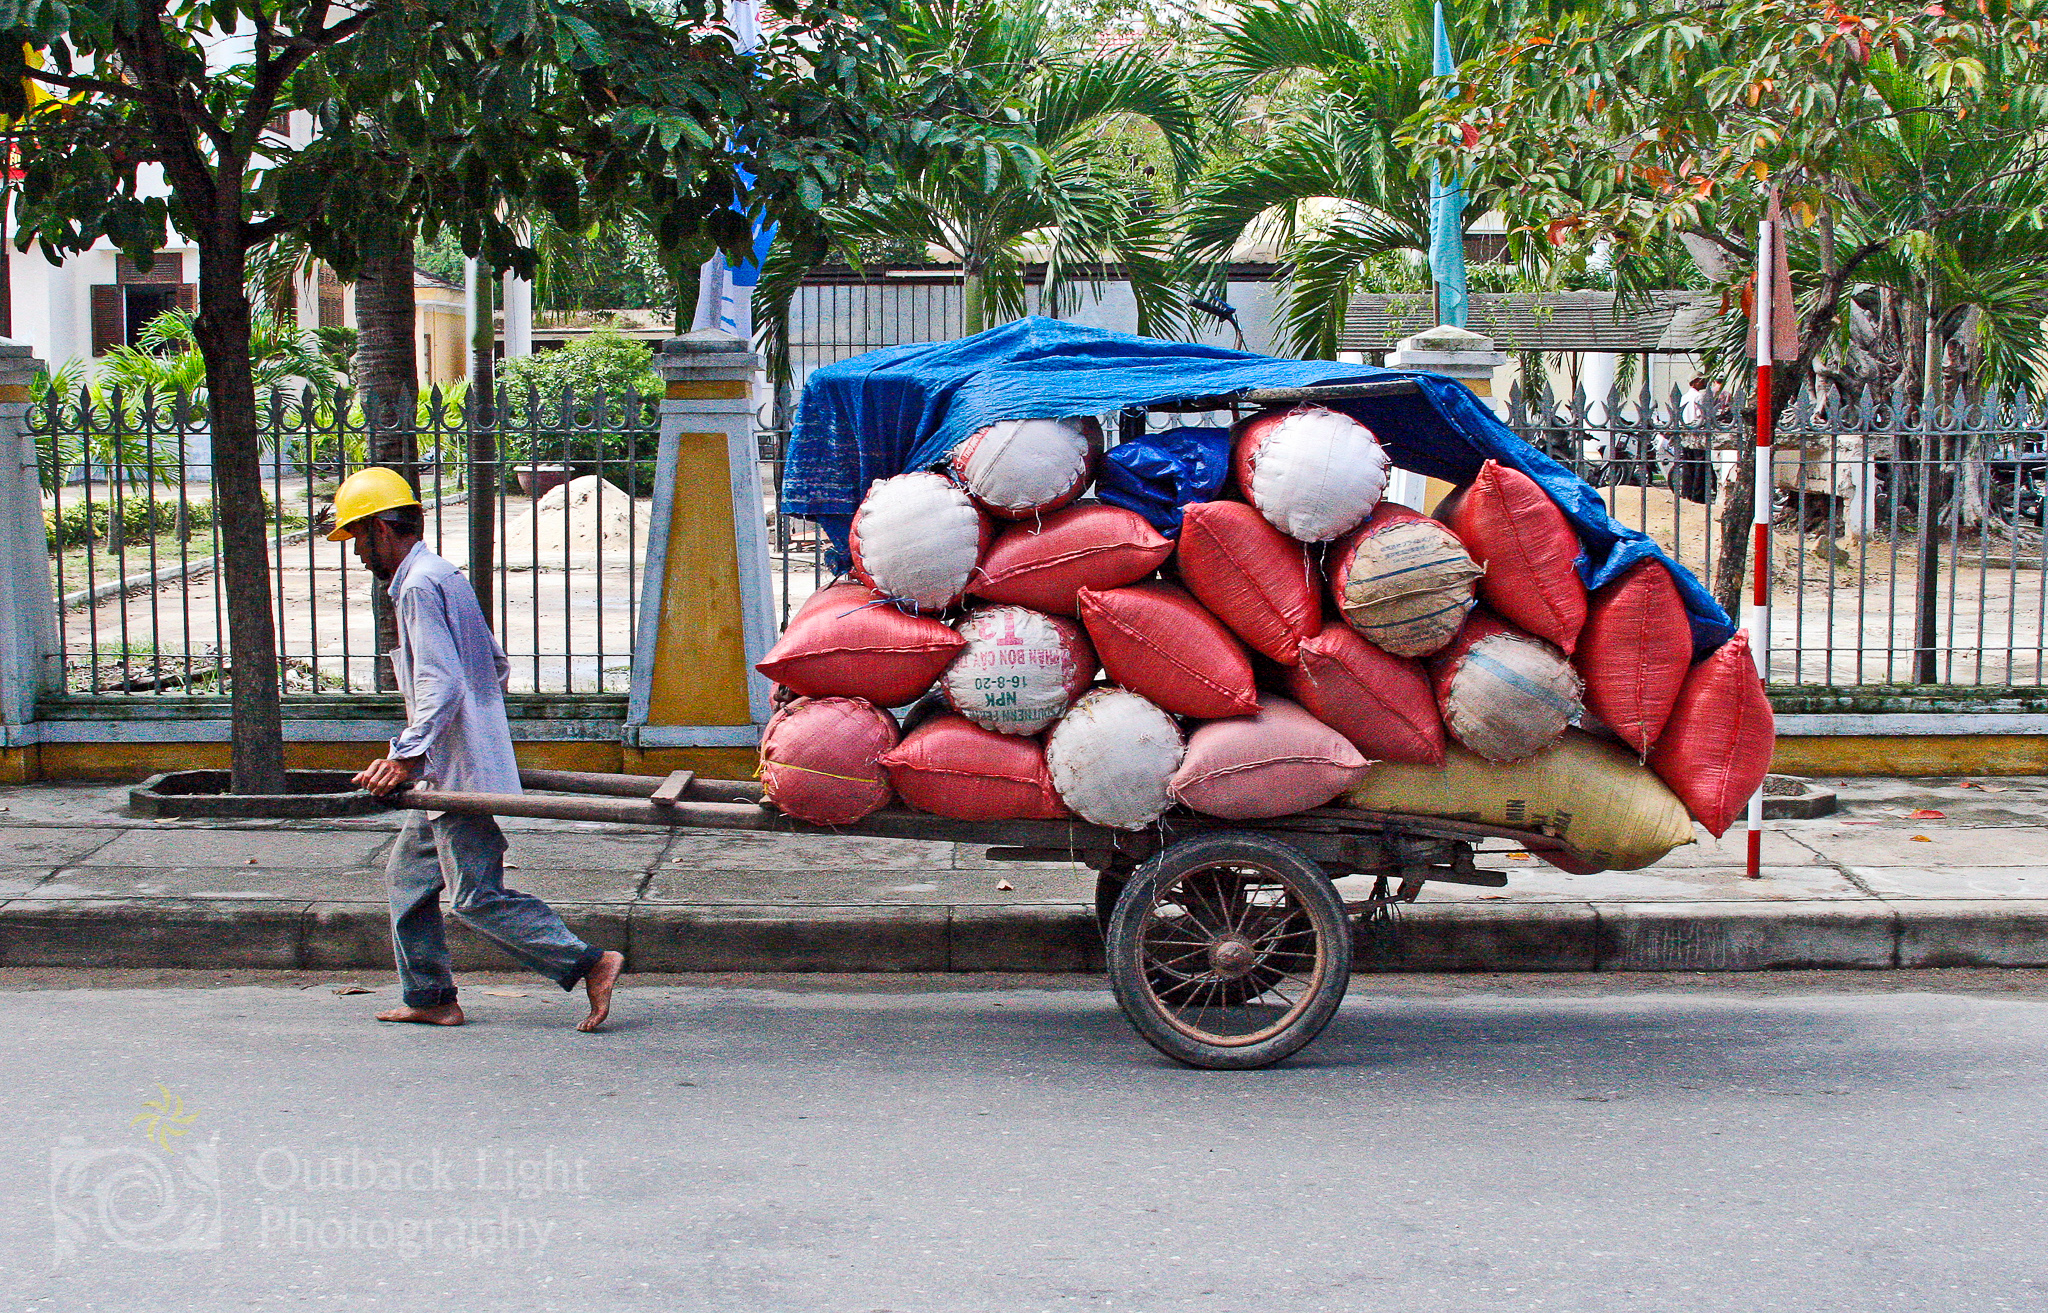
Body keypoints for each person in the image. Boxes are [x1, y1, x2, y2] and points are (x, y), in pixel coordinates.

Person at [333, 467, 623, 1031]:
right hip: (459, 761)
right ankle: (429, 995)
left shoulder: (418, 586)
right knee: (408, 878)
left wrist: (406, 755)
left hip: (455, 771)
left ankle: (587, 961)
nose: (358, 555)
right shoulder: (444, 575)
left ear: (381, 529)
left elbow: (440, 683)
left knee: (473, 897)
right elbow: (493, 664)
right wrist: (476, 731)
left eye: (358, 539)